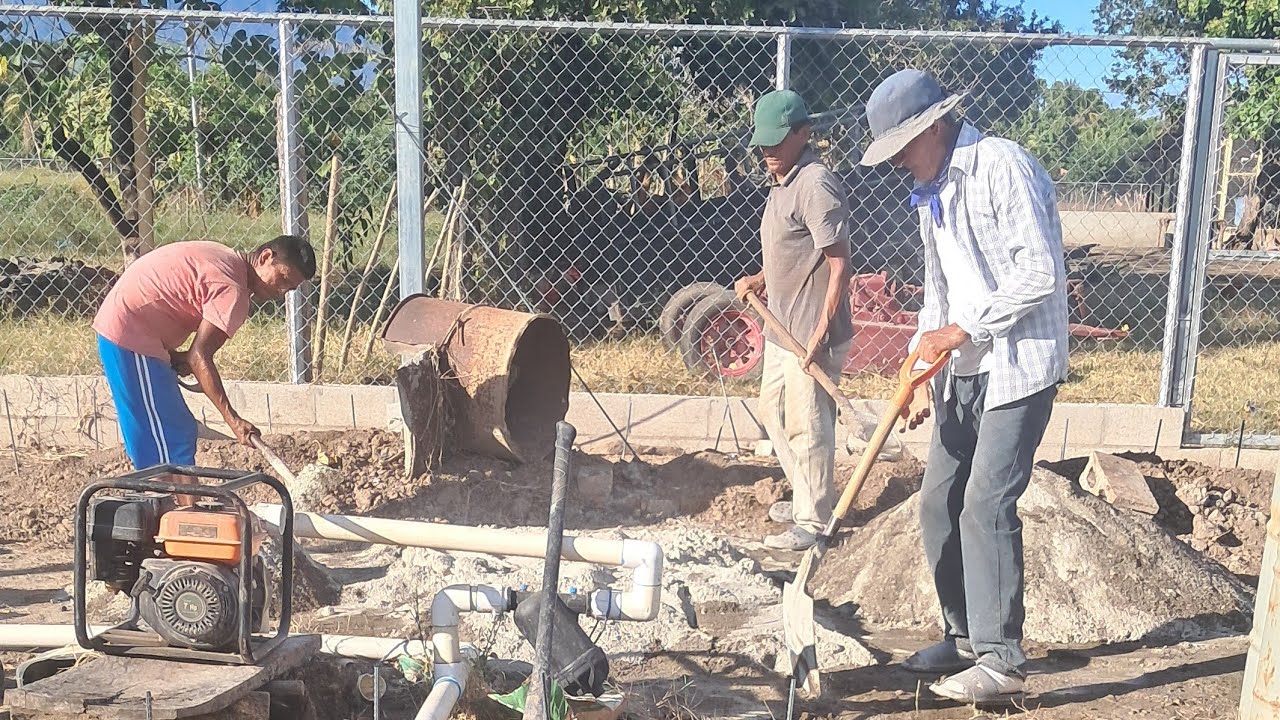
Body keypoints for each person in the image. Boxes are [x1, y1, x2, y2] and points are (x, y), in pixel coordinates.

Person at [858, 69, 1068, 703]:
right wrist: (924, 365)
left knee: (986, 505)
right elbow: (938, 291)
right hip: (964, 370)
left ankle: (1003, 663)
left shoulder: (1003, 167)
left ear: (935, 126)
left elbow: (1041, 272)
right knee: (935, 503)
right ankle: (965, 638)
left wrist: (959, 331)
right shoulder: (930, 189)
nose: (895, 162)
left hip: (1019, 365)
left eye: (900, 146)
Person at [93, 236, 316, 492]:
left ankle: (174, 509)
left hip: (132, 330)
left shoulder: (226, 257)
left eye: (290, 288)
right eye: (284, 279)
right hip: (130, 334)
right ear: (266, 257)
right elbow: (200, 357)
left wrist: (183, 357)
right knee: (167, 437)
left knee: (173, 432)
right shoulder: (232, 289)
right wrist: (233, 420)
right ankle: (173, 512)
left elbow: (194, 354)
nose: (282, 292)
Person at [734, 89, 854, 551]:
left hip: (808, 332)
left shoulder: (815, 184)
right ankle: (807, 491)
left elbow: (840, 265)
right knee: (772, 412)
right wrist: (761, 279)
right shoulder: (783, 179)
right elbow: (793, 251)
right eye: (763, 142)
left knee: (808, 422)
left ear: (804, 134)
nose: (767, 151)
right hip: (782, 327)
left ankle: (814, 519)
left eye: (777, 141)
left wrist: (821, 333)